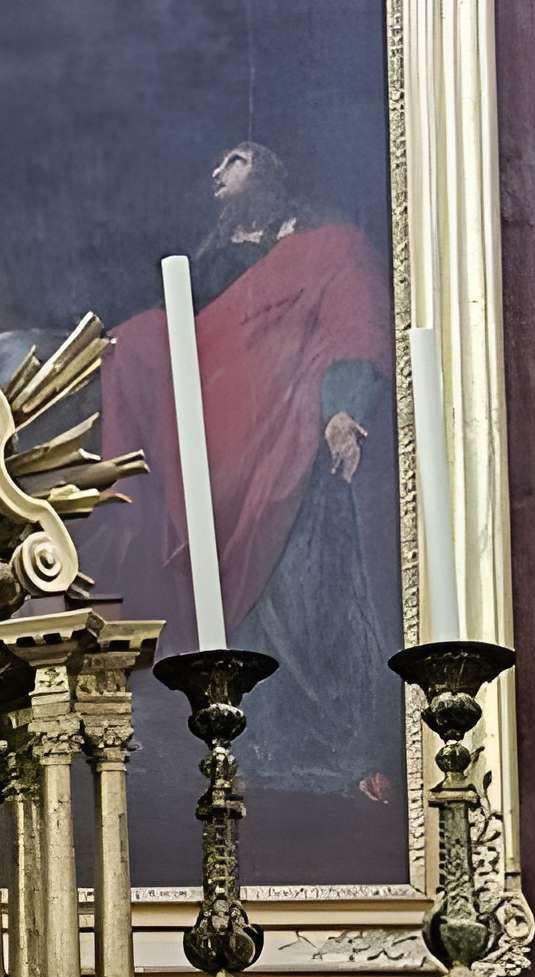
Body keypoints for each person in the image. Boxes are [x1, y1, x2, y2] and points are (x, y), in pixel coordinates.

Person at [100, 143, 401, 805]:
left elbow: (352, 319)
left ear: (271, 172)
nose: (217, 172)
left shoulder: (328, 247)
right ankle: (257, 749)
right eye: (214, 167)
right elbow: (190, 340)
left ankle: (342, 752)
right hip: (226, 449)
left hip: (296, 449)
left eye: (233, 160)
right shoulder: (213, 269)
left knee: (302, 594)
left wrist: (345, 409)